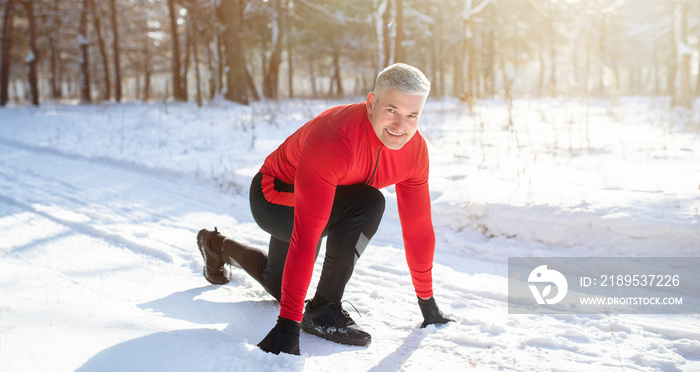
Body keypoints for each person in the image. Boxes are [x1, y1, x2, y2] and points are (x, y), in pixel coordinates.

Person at [197, 63, 453, 355]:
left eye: (412, 115)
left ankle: (217, 246)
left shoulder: (414, 152)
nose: (400, 126)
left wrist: (427, 303)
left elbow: (418, 228)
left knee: (280, 286)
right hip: (275, 195)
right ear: (371, 103)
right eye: (392, 110)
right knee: (368, 203)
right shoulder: (336, 139)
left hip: (329, 196)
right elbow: (307, 234)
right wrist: (287, 326)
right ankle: (323, 311)